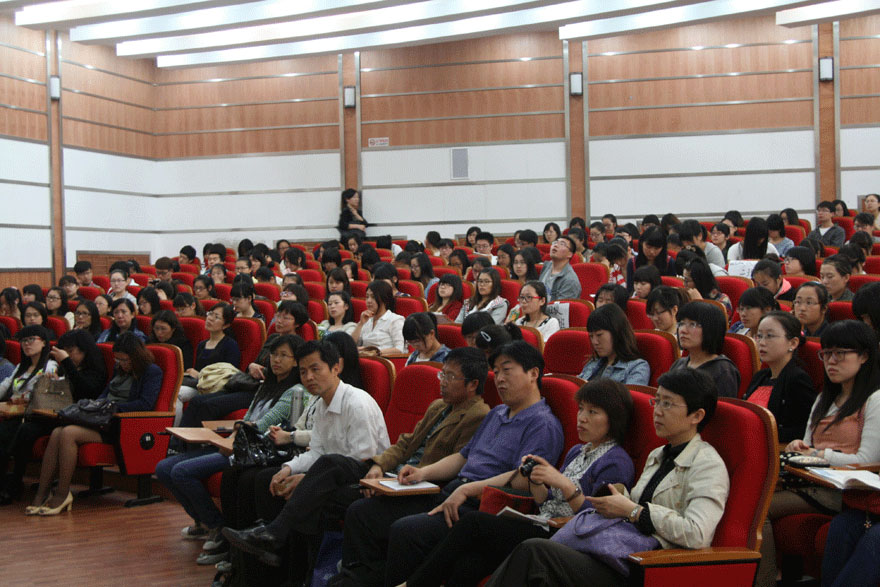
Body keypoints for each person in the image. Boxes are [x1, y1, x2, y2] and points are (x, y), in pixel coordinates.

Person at [338, 341, 564, 586]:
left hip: (483, 506)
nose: (499, 379)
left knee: (407, 531)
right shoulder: (497, 413)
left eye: (507, 370)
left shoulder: (542, 424)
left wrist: (467, 489)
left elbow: (523, 479)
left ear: (533, 373)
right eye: (497, 371)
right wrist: (422, 472)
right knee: (363, 512)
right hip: (452, 491)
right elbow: (463, 457)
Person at [486, 368, 729, 587]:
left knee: (534, 553)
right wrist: (619, 500)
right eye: (657, 401)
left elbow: (697, 534)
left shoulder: (707, 465)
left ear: (696, 416)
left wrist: (634, 511)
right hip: (619, 552)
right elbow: (637, 507)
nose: (657, 411)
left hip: (649, 568)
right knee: (527, 554)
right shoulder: (658, 454)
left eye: (668, 404)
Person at [407, 378, 636, 587]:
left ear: (613, 418)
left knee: (473, 523)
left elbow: (597, 521)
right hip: (544, 522)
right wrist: (536, 480)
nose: (582, 418)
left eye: (592, 412)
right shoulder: (577, 451)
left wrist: (564, 484)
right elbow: (546, 502)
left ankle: (413, 584)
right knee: (470, 563)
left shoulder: (616, 461)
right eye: (581, 409)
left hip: (567, 537)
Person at [222, 340, 389, 573]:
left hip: (365, 481)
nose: (309, 377)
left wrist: (309, 480)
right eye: (303, 372)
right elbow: (317, 451)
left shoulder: (357, 403)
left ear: (336, 368)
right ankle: (268, 563)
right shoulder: (321, 404)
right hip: (329, 475)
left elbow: (362, 460)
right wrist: (288, 469)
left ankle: (284, 549)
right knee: (271, 481)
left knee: (317, 481)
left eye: (315, 369)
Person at [157, 334, 307, 565]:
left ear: (296, 361)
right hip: (236, 443)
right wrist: (234, 434)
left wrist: (238, 434)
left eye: (283, 356)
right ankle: (204, 523)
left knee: (181, 471)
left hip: (253, 452)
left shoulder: (295, 390)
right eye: (274, 354)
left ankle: (218, 527)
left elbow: (263, 424)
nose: (276, 360)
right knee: (164, 468)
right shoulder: (267, 385)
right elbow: (247, 418)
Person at [758, 320, 880, 585]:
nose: (831, 361)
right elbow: (807, 445)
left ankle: (767, 581)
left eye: (840, 354)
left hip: (844, 488)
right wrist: (799, 448)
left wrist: (820, 454)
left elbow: (867, 461)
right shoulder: (825, 398)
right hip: (810, 480)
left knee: (758, 509)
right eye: (826, 354)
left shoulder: (874, 399)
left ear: (864, 356)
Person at [29, 333, 162, 515]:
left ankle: (62, 494)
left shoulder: (151, 371)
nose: (121, 364)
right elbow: (105, 393)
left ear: (135, 357)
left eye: (124, 360)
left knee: (68, 433)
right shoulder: (119, 369)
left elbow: (145, 404)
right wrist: (95, 407)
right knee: (57, 431)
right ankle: (41, 494)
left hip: (121, 424)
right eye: (117, 359)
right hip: (103, 418)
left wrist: (112, 408)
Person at [0, 328, 105, 505]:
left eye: (71, 351)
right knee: (8, 428)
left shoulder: (93, 371)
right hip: (51, 414)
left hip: (74, 419)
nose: (67, 355)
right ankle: (8, 482)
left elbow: (85, 391)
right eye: (65, 351)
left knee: (26, 429)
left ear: (84, 350)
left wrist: (66, 363)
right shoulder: (62, 368)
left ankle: (15, 482)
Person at [743, 311, 815, 443]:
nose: (762, 342)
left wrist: (759, 434)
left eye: (769, 336)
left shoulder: (797, 379)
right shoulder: (760, 376)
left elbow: (804, 430)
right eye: (759, 336)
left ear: (793, 343)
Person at [175, 302, 241, 424]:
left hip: (215, 387)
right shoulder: (202, 344)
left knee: (178, 394)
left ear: (226, 325)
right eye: (210, 314)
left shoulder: (230, 345)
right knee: (173, 390)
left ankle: (176, 431)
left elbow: (229, 374)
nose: (210, 318)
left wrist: (199, 375)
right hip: (199, 385)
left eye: (216, 317)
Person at [670, 302, 740, 398]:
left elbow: (720, 406)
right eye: (681, 324)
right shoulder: (679, 364)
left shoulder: (723, 370)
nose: (683, 330)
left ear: (711, 329)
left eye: (692, 324)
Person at [578, 303, 650, 385]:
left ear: (616, 333)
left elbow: (631, 393)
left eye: (599, 335)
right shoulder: (593, 362)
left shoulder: (637, 367)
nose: (594, 342)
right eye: (591, 336)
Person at [352, 280, 406, 354]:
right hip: (366, 358)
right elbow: (352, 345)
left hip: (386, 359)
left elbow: (399, 349)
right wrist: (361, 324)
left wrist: (372, 351)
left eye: (373, 297)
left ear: (385, 299)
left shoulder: (395, 320)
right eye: (367, 297)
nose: (369, 301)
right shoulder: (366, 319)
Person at [626, 227, 675, 292]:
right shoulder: (633, 262)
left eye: (656, 248)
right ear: (642, 243)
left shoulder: (669, 262)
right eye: (648, 247)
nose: (652, 252)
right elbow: (630, 290)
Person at [539, 235, 581, 302]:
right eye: (555, 242)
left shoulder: (570, 280)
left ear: (570, 254)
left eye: (562, 244)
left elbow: (561, 307)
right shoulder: (546, 266)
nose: (556, 245)